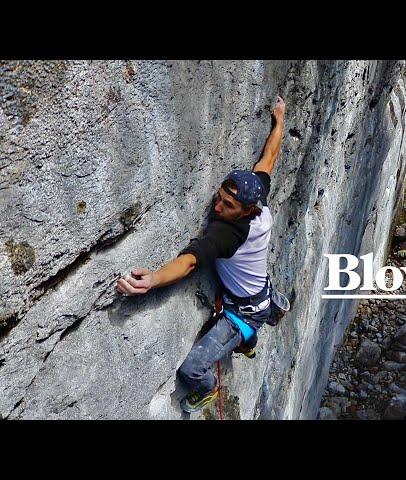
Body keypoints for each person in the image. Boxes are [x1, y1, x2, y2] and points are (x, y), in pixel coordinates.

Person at [116, 96, 289, 413]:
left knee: (191, 370)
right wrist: (279, 120)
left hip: (244, 312)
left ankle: (208, 389)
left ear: (246, 210)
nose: (218, 207)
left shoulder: (229, 233)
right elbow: (269, 159)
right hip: (260, 292)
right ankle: (249, 342)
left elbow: (190, 261)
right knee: (252, 324)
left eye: (229, 206)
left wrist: (153, 279)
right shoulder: (258, 197)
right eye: (220, 198)